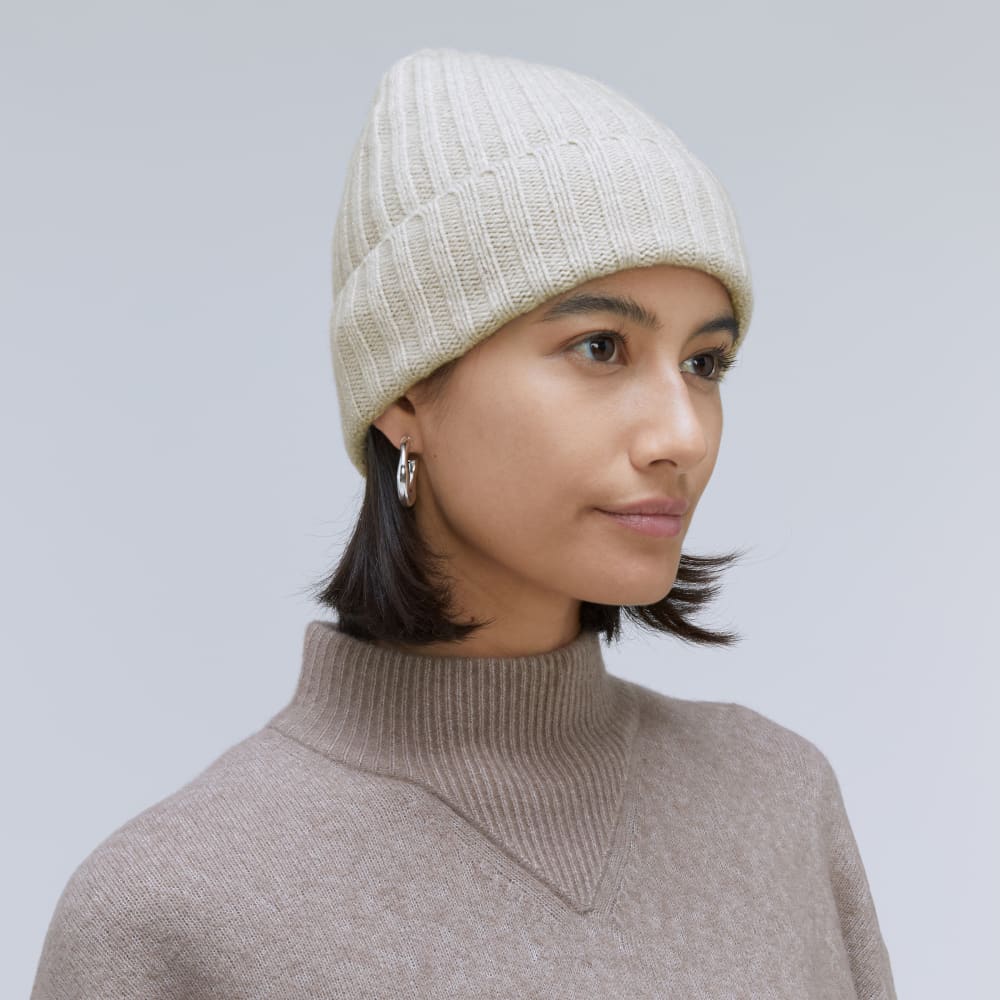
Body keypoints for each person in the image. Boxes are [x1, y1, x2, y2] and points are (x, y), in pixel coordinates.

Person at [30, 47, 897, 998]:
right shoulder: (170, 913)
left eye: (705, 363)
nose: (682, 435)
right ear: (405, 392)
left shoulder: (777, 802)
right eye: (600, 347)